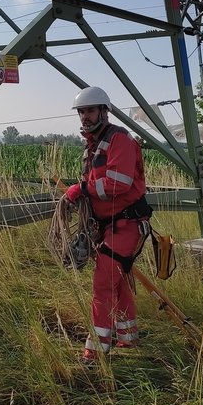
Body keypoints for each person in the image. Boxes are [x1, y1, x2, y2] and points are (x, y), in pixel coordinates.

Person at [64, 86, 152, 363]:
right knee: (116, 282)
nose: (85, 117)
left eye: (90, 110)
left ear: (104, 110)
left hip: (126, 224)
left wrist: (82, 189)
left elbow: (119, 183)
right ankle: (128, 339)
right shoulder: (94, 143)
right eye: (81, 112)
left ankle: (95, 352)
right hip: (110, 225)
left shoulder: (119, 141)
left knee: (103, 284)